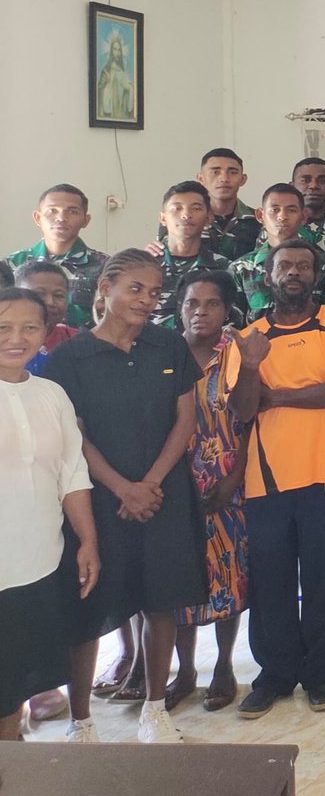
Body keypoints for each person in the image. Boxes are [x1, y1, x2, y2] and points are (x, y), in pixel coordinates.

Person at [45, 250, 208, 744]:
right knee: (89, 605)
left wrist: (150, 485)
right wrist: (122, 488)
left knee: (161, 599)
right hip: (97, 500)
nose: (146, 300)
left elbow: (185, 420)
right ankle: (80, 720)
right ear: (105, 288)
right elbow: (75, 436)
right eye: (135, 289)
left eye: (155, 292)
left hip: (164, 494)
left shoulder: (168, 345)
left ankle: (155, 711)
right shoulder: (70, 358)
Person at [228, 241, 325, 720]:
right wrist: (250, 366)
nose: (294, 272)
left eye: (304, 266)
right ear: (269, 275)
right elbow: (244, 408)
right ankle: (275, 673)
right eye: (284, 265)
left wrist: (279, 396)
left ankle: (320, 671)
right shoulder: (250, 337)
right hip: (264, 481)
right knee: (271, 582)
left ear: (315, 275)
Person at [0, 288, 99, 743]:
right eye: (3, 327)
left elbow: (71, 472)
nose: (16, 338)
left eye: (29, 327)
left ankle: (14, 758)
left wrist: (88, 540)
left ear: (46, 333)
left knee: (16, 685)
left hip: (39, 566)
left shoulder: (51, 394)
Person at [168, 272, 250, 714]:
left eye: (212, 303)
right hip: (173, 485)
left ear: (226, 309)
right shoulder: (164, 353)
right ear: (180, 308)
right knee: (180, 582)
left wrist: (233, 479)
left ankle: (223, 665)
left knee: (228, 578)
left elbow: (250, 419)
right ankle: (184, 671)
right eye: (192, 303)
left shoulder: (235, 352)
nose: (201, 311)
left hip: (227, 485)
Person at [7, 184, 106, 328]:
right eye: (52, 210)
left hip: (83, 341)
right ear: (38, 218)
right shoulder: (12, 264)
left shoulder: (104, 266)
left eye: (72, 211)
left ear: (85, 220)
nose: (61, 218)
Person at [230, 183, 325, 317]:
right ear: (260, 215)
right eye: (275, 210)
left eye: (291, 210)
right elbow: (233, 323)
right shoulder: (241, 269)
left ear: (303, 217)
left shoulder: (323, 263)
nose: (282, 217)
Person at [152, 181, 238, 329]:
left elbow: (233, 321)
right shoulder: (145, 265)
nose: (186, 215)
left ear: (209, 217)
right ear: (163, 218)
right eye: (177, 208)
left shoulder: (224, 268)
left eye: (196, 208)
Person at [158, 149, 261, 261]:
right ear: (201, 178)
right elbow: (162, 252)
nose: (224, 179)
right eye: (215, 172)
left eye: (232, 172)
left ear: (242, 179)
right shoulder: (182, 220)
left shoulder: (258, 220)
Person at [17, 260, 78, 375]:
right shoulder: (4, 340)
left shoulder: (76, 340)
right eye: (39, 294)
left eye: (59, 295)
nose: (50, 302)